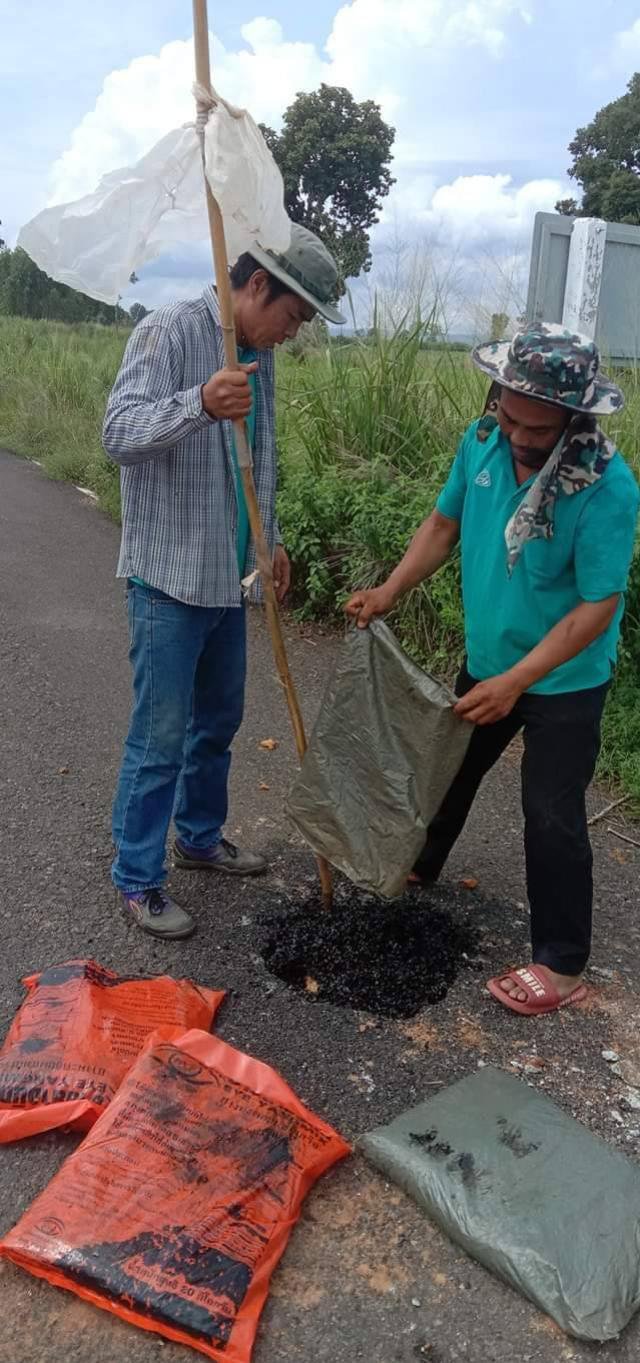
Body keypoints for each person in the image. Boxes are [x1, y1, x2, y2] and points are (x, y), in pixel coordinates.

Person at [346, 324, 639, 1016]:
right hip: (488, 661)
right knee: (447, 768)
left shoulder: (605, 486)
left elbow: (597, 607)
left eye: (537, 428)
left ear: (575, 417)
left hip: (564, 678)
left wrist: (518, 683)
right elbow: (443, 526)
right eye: (509, 415)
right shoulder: (481, 442)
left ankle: (561, 962)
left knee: (551, 811)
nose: (517, 436)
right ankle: (419, 866)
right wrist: (390, 589)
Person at [104, 224, 345, 940]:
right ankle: (137, 877)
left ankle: (199, 837)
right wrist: (200, 404)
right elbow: (118, 431)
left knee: (219, 723)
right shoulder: (169, 332)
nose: (293, 334)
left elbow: (254, 462)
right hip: (169, 581)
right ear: (257, 285)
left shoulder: (259, 357)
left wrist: (267, 542)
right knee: (161, 735)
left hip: (228, 582)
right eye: (293, 315)